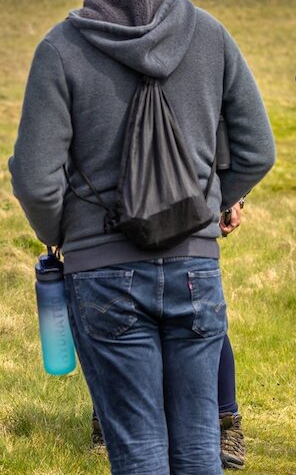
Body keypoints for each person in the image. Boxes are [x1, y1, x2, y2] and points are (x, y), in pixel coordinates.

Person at [9, 0, 275, 475]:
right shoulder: (210, 35)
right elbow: (258, 150)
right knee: (201, 445)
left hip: (101, 270)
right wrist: (211, 205)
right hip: (195, 264)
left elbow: (35, 178)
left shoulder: (61, 48)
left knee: (138, 449)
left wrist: (69, 236)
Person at [91, 201, 247, 470]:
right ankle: (107, 419)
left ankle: (225, 422)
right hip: (115, 228)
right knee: (118, 323)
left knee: (198, 319)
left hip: (186, 225)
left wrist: (230, 197)